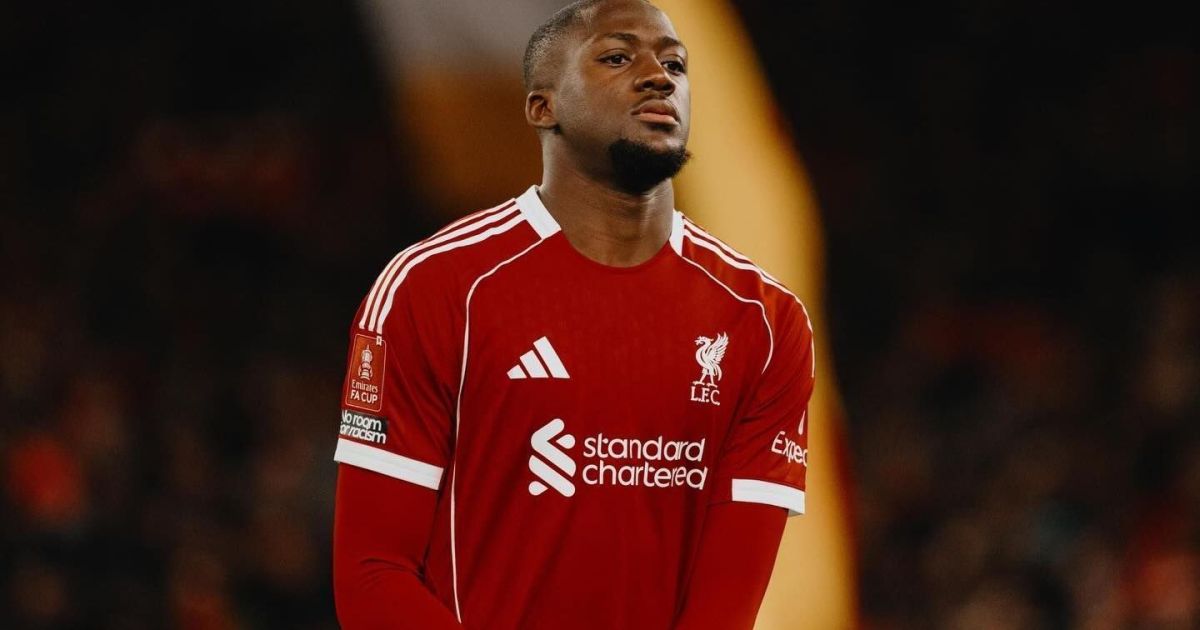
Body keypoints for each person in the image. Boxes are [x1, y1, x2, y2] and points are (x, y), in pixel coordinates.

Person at [331, 0, 815, 627]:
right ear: (544, 107)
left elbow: (730, 601)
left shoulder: (762, 320)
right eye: (615, 60)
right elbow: (372, 573)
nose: (655, 79)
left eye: (673, 65)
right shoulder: (429, 292)